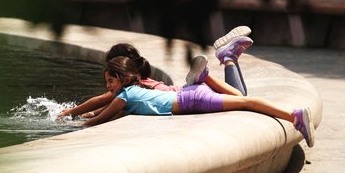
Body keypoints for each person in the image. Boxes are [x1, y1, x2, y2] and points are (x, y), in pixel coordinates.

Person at [65, 54, 315, 148]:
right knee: (242, 98)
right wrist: (75, 113)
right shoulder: (135, 90)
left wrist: (75, 123)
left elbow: (101, 117)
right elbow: (105, 109)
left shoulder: (125, 96)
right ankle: (205, 75)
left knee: (247, 102)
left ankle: (295, 116)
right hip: (190, 94)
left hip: (192, 100)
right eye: (107, 81)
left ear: (125, 79)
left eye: (111, 81)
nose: (108, 86)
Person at [58, 26, 252, 120]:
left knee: (241, 99)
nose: (108, 81)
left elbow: (102, 101)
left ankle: (226, 58)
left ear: (123, 72)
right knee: (241, 97)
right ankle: (229, 58)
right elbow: (109, 105)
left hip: (187, 94)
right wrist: (90, 113)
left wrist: (72, 112)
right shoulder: (138, 82)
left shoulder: (132, 86)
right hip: (188, 91)